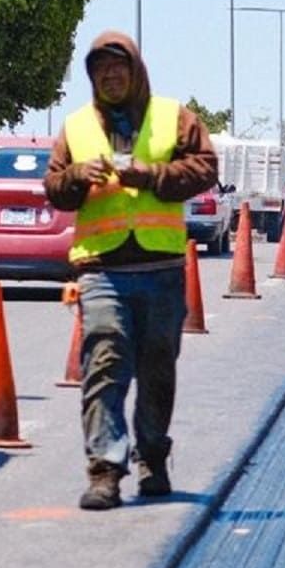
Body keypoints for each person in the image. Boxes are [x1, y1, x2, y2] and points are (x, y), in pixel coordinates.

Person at [43, 31, 218, 511]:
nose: (110, 76)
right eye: (100, 69)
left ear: (135, 70)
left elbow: (205, 168)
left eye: (118, 68)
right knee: (104, 364)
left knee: (157, 370)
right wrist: (77, 177)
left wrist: (152, 176)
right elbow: (55, 187)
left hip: (161, 269)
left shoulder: (172, 117)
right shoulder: (77, 127)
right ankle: (104, 471)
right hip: (102, 269)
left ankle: (153, 458)